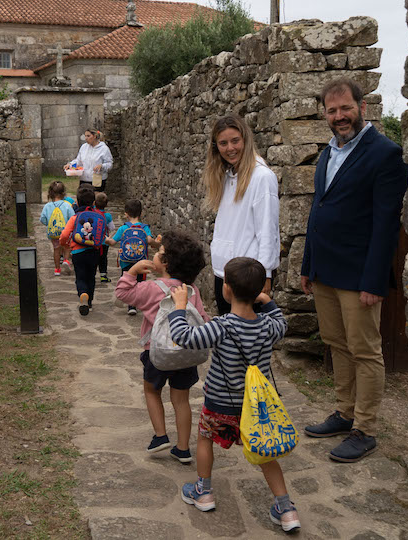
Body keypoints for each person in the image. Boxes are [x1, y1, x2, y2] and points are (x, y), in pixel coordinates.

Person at [301, 78, 408, 462]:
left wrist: (374, 281)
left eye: (345, 108)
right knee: (337, 343)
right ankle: (344, 413)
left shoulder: (385, 154)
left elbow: (385, 226)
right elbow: (318, 211)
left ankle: (365, 428)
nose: (339, 116)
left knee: (365, 350)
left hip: (360, 275)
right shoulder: (328, 153)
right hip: (327, 270)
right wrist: (308, 264)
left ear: (362, 107)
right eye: (331, 111)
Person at [168, 257, 300, 533]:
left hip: (219, 404)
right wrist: (267, 300)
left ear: (226, 289)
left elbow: (184, 337)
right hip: (256, 410)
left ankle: (203, 492)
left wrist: (179, 307)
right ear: (259, 290)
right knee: (266, 455)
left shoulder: (221, 326)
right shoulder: (267, 326)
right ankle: (286, 509)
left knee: (205, 440)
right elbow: (282, 323)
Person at [114, 231, 210, 464]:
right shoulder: (191, 290)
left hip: (156, 353)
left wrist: (132, 271)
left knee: (151, 391)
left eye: (159, 252)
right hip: (185, 354)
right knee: (181, 399)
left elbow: (122, 293)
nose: (155, 254)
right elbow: (204, 320)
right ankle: (183, 448)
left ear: (165, 263)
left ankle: (160, 436)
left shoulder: (152, 289)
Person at [202, 114, 279, 314]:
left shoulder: (262, 177)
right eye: (223, 143)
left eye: (235, 141)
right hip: (224, 274)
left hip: (248, 278)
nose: (230, 148)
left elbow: (267, 230)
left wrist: (266, 275)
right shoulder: (227, 176)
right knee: (227, 342)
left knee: (247, 343)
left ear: (245, 139)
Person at [106, 199, 159, 316]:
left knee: (126, 280)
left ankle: (126, 299)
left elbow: (112, 242)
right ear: (141, 214)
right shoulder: (145, 228)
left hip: (126, 261)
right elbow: (150, 241)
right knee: (139, 283)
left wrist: (105, 239)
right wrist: (155, 242)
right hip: (141, 261)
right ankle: (134, 305)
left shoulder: (123, 228)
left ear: (126, 214)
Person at [59, 188, 104, 316]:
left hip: (78, 252)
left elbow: (64, 235)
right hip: (94, 252)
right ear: (93, 203)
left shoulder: (75, 217)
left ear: (77, 203)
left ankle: (83, 294)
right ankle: (89, 302)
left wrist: (65, 245)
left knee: (80, 276)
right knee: (91, 276)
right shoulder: (98, 217)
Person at [40, 181, 75, 277]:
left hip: (53, 233)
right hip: (65, 233)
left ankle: (57, 269)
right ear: (64, 193)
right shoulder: (67, 205)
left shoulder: (47, 206)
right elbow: (72, 218)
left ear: (50, 193)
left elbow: (42, 219)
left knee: (56, 249)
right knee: (67, 247)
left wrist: (49, 224)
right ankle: (66, 261)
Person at [95, 191, 116, 283]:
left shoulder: (92, 213)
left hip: (94, 241)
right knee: (103, 258)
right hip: (104, 242)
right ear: (106, 204)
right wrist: (109, 237)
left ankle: (92, 274)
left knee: (94, 257)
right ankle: (103, 275)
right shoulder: (107, 216)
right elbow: (112, 228)